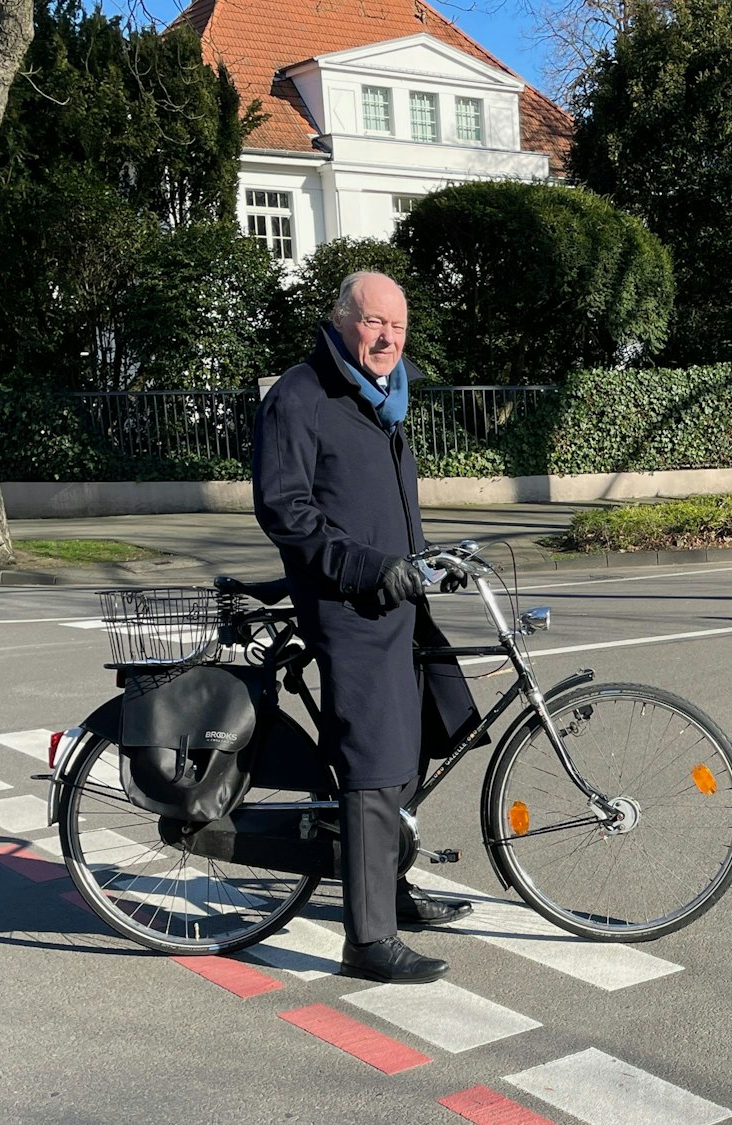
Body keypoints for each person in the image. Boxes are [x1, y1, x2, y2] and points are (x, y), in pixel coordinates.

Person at [252, 270, 483, 984]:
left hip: (398, 594)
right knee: (373, 760)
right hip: (348, 604)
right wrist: (363, 568)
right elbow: (285, 509)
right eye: (374, 322)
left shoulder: (383, 397)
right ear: (342, 317)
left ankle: (392, 886)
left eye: (399, 326)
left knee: (425, 730)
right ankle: (368, 937)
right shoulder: (302, 394)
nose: (387, 337)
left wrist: (430, 559)